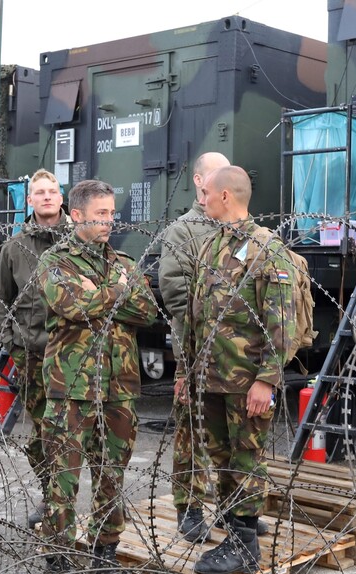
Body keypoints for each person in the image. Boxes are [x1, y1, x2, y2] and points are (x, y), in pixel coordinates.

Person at [36, 179, 158, 574]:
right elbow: (72, 306)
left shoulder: (123, 260)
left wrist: (104, 295)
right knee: (64, 478)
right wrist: (119, 292)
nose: (109, 221)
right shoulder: (54, 261)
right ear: (76, 215)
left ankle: (104, 553)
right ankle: (58, 565)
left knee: (111, 474)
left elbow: (146, 311)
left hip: (119, 386)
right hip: (72, 387)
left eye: (111, 213)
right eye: (100, 214)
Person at [179, 165, 297, 574]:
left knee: (245, 456)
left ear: (226, 195)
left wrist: (266, 379)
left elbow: (283, 322)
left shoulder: (268, 249)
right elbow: (195, 318)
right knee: (221, 455)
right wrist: (185, 372)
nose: (202, 198)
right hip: (210, 377)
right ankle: (235, 524)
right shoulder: (211, 246)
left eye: (207, 192)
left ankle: (245, 544)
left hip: (246, 380)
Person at [0, 169, 68, 529]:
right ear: (30, 200)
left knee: (70, 433)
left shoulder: (78, 241)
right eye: (40, 192)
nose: (47, 197)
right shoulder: (15, 248)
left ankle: (63, 503)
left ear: (62, 198)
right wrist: (11, 343)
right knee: (39, 435)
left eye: (53, 191)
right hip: (32, 355)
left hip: (72, 356)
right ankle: (51, 496)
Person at [158, 152, 230, 542]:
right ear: (201, 181)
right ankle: (189, 507)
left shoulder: (235, 227)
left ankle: (232, 507)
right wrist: (210, 328)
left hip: (236, 353)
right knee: (193, 430)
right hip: (197, 345)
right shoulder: (184, 231)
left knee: (231, 431)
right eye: (219, 172)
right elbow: (174, 290)